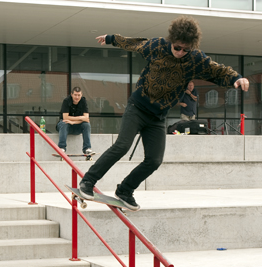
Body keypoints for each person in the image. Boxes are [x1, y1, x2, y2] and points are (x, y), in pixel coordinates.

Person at [78, 16, 249, 211]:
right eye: (177, 48)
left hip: (158, 117)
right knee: (122, 146)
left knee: (154, 160)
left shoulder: (195, 58)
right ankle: (88, 181)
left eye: (186, 49)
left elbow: (217, 70)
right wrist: (110, 39)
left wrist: (236, 78)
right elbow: (135, 43)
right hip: (137, 107)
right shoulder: (157, 46)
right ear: (172, 41)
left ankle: (125, 190)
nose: (181, 52)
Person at [57, 87, 94, 155]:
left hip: (76, 126)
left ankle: (87, 148)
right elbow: (65, 117)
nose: (77, 97)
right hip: (65, 127)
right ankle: (61, 148)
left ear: (81, 95)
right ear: (71, 94)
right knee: (64, 123)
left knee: (86, 124)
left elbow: (86, 119)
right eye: (75, 95)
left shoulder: (83, 101)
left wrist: (73, 121)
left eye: (79, 95)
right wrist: (81, 118)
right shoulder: (66, 101)